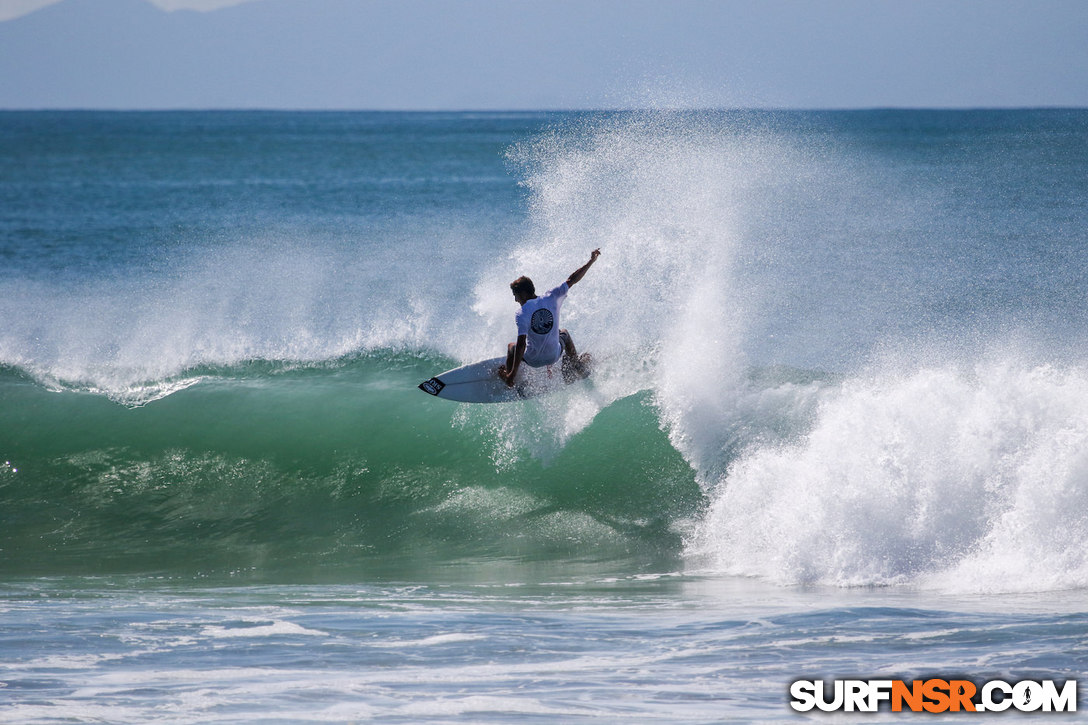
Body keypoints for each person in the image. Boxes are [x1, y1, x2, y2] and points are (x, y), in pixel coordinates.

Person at [497, 249, 600, 387]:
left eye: (515, 295)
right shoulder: (552, 297)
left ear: (523, 294)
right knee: (564, 333)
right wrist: (591, 261)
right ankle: (575, 366)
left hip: (533, 360)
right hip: (554, 355)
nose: (516, 300)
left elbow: (521, 345)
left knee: (512, 347)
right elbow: (573, 279)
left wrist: (512, 374)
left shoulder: (521, 313)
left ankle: (510, 379)